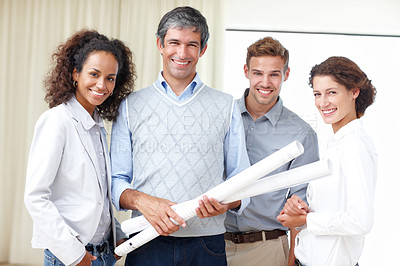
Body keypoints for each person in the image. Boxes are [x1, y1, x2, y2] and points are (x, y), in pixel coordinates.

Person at [110, 6, 250, 266]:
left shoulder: (225, 105)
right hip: (146, 239)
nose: (182, 53)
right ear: (160, 44)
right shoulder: (130, 105)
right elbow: (116, 180)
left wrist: (227, 203)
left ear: (203, 49)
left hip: (207, 243)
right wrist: (143, 201)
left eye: (191, 45)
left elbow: (241, 179)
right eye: (174, 42)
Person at [24, 29, 136, 266]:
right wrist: (74, 255)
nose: (101, 85)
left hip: (104, 252)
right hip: (72, 256)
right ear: (76, 74)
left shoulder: (97, 124)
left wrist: (116, 235)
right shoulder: (57, 121)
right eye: (94, 74)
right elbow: (35, 197)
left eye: (110, 78)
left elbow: (98, 196)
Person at [224, 37, 319, 266]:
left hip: (267, 248)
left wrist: (291, 262)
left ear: (286, 75)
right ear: (246, 71)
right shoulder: (222, 117)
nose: (265, 82)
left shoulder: (302, 134)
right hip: (214, 245)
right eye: (258, 73)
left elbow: (300, 205)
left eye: (274, 74)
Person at [277, 56, 377, 266]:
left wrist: (305, 220)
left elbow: (360, 220)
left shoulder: (354, 144)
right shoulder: (336, 143)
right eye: (317, 94)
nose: (323, 103)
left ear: (354, 92)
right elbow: (333, 206)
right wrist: (302, 208)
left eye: (332, 92)